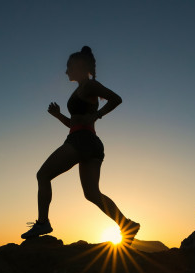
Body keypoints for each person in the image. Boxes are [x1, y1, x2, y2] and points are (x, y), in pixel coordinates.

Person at [21, 46, 140, 246]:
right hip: (90, 142)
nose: (66, 71)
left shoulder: (88, 86)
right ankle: (127, 224)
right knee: (92, 193)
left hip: (81, 141)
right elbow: (74, 123)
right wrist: (59, 115)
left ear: (79, 66)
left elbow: (116, 99)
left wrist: (98, 114)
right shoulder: (82, 89)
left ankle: (42, 223)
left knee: (43, 175)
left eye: (69, 67)